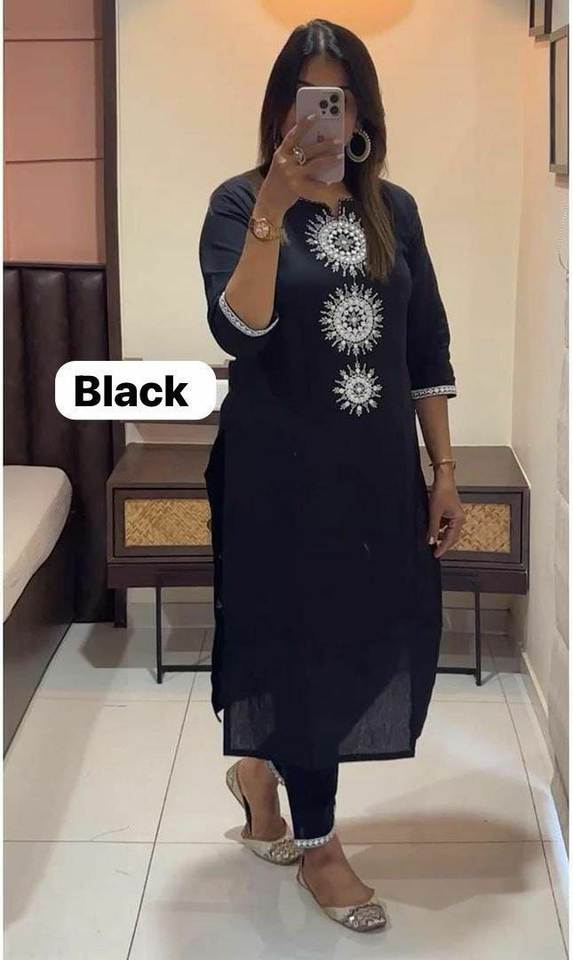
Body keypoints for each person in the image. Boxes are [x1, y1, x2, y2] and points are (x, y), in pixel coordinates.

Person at [199, 18, 465, 933]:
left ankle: (257, 770)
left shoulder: (395, 211)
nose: (319, 116)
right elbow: (239, 331)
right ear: (279, 108)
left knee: (372, 637)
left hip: (376, 476)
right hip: (277, 478)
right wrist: (273, 207)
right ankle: (317, 842)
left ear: (361, 114)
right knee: (297, 642)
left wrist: (442, 468)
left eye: (337, 99)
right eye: (305, 97)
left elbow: (424, 345)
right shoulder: (239, 202)